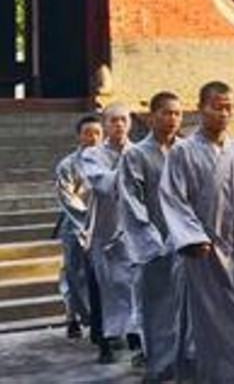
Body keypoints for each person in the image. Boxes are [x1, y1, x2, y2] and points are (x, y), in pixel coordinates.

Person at [160, 81, 234, 384]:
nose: (224, 114)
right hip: (200, 255)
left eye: (229, 107)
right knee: (196, 326)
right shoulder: (183, 152)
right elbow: (173, 198)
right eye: (217, 107)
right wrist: (191, 238)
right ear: (201, 108)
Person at [119, 91, 187, 383]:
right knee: (156, 309)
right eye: (166, 113)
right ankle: (158, 368)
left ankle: (185, 365)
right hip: (155, 246)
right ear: (151, 116)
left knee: (186, 310)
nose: (172, 119)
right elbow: (132, 202)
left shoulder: (185, 150)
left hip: (187, 245)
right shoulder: (135, 154)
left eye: (177, 114)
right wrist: (152, 241)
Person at [79, 102, 138, 363]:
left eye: (124, 120)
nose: (119, 125)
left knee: (135, 286)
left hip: (135, 230)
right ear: (105, 124)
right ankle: (105, 342)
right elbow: (103, 183)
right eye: (113, 120)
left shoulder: (138, 151)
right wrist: (131, 174)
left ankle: (139, 341)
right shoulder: (92, 156)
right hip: (105, 229)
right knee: (105, 286)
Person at [54, 114, 102, 340]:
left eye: (97, 133)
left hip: (104, 223)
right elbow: (67, 197)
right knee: (74, 273)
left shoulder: (108, 160)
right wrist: (87, 221)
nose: (93, 138)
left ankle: (98, 319)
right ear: (79, 136)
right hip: (76, 225)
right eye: (88, 133)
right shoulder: (67, 165)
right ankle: (72, 317)